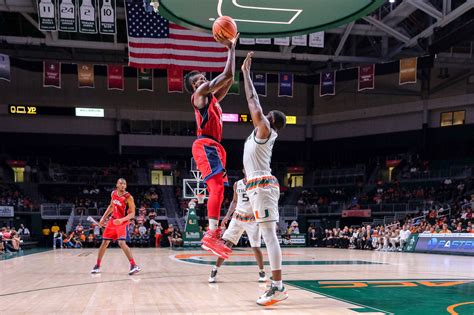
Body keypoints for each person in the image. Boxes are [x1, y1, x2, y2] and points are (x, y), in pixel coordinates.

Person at [183, 34, 239, 259]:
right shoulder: (199, 96)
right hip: (205, 144)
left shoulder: (213, 100)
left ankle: (212, 233)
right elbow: (225, 74)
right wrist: (230, 48)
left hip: (214, 147)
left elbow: (230, 76)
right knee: (216, 188)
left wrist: (233, 53)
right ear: (194, 88)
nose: (202, 81)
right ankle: (211, 234)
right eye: (198, 81)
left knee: (219, 190)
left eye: (203, 78)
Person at [241, 51, 288, 306]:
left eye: (264, 114)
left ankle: (278, 286)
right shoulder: (258, 134)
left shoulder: (265, 129)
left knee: (269, 235)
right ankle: (277, 284)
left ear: (270, 120)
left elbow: (253, 102)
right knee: (267, 234)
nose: (259, 115)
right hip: (256, 186)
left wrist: (247, 74)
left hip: (263, 185)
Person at [208, 174, 267, 284]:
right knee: (226, 245)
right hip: (237, 218)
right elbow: (234, 201)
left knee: (255, 247)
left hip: (252, 219)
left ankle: (262, 272)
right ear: (243, 170)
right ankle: (215, 269)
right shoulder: (237, 184)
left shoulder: (258, 183)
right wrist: (227, 216)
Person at [91, 178, 141, 275]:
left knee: (121, 243)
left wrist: (121, 220)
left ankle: (134, 265)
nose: (122, 185)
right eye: (121, 183)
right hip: (113, 220)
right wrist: (103, 218)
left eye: (124, 184)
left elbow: (132, 214)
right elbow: (111, 207)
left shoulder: (128, 197)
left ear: (126, 186)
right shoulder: (113, 193)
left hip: (123, 221)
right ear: (117, 185)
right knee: (104, 242)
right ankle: (97, 265)